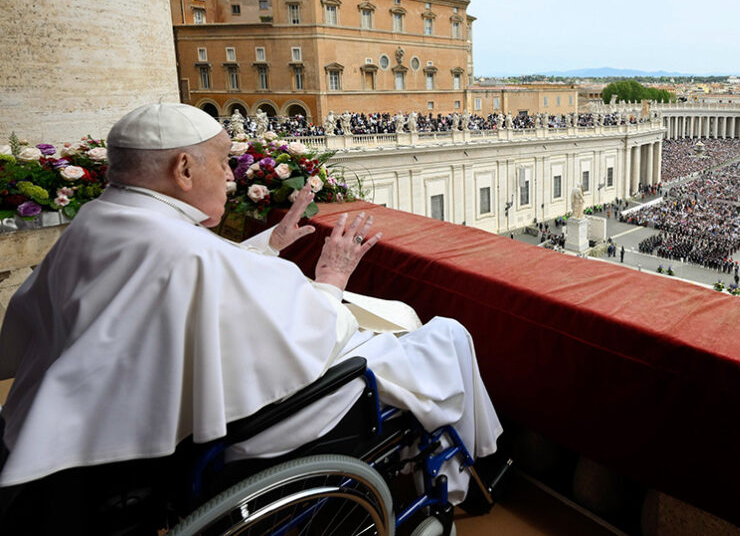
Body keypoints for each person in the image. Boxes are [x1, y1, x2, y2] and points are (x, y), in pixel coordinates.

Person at [0, 104, 501, 504]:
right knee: (446, 335)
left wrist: (272, 243)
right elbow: (309, 336)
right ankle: (470, 469)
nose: (230, 176)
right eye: (222, 162)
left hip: (112, 421)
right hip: (254, 425)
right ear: (183, 168)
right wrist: (331, 278)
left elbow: (198, 280)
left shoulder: (100, 218)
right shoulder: (184, 248)